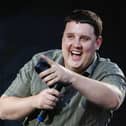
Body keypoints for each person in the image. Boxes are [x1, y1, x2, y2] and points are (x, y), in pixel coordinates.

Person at [0, 9, 126, 126]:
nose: (76, 45)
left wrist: (70, 77)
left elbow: (114, 100)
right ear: (63, 38)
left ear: (97, 43)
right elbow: (3, 108)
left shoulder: (107, 70)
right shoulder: (41, 61)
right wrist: (35, 101)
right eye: (70, 36)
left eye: (84, 39)